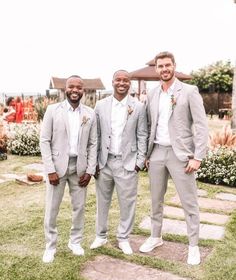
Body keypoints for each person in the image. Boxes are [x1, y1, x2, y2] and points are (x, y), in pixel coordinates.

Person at [139, 52, 208, 265]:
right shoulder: (152, 94)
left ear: (174, 66)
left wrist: (197, 157)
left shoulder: (189, 91)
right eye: (160, 66)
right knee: (155, 200)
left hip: (182, 155)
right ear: (156, 69)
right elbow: (149, 125)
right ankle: (155, 237)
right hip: (157, 152)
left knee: (189, 203)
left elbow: (201, 125)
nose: (164, 69)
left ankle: (193, 246)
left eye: (167, 65)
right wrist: (148, 154)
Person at [40, 75, 97, 263]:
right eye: (71, 87)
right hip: (56, 167)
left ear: (83, 90)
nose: (75, 90)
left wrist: (90, 170)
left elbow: (93, 143)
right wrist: (50, 169)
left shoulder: (90, 113)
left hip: (79, 168)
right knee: (52, 209)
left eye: (78, 87)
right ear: (65, 89)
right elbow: (44, 141)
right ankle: (50, 246)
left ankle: (75, 242)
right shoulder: (52, 110)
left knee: (79, 208)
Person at [90, 70, 148, 255]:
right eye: (118, 80)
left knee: (127, 202)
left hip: (128, 163)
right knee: (102, 201)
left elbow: (142, 134)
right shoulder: (100, 105)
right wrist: (95, 163)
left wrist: (139, 162)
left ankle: (123, 238)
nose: (122, 83)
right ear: (112, 82)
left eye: (125, 80)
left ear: (129, 83)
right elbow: (96, 135)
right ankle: (101, 235)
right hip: (104, 162)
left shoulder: (138, 106)